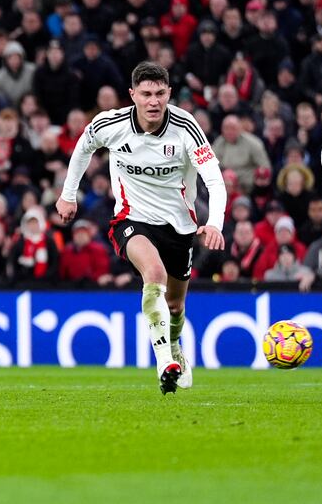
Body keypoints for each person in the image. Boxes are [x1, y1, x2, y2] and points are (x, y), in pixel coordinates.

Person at [57, 61, 226, 394]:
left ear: (169, 94)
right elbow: (83, 148)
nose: (153, 102)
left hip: (179, 226)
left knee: (176, 306)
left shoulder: (186, 128)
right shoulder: (111, 124)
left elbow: (215, 181)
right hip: (131, 220)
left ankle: (174, 346)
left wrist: (214, 223)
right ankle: (165, 361)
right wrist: (67, 195)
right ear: (132, 95)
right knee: (154, 274)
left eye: (160, 94)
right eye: (146, 94)